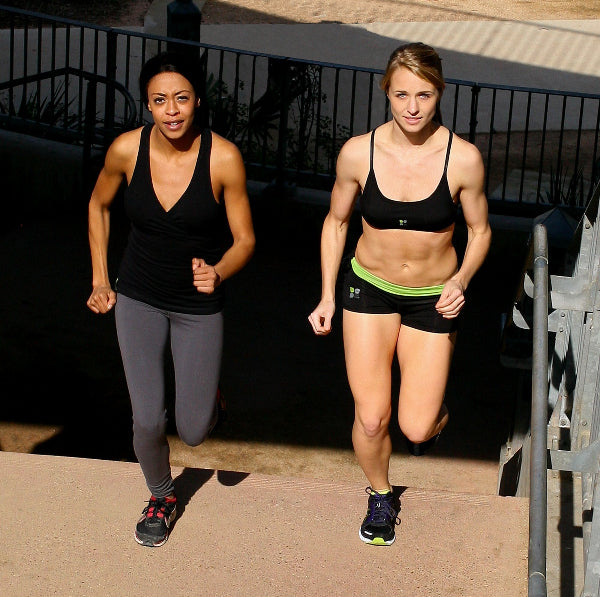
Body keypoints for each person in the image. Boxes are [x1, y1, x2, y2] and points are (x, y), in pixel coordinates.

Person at [308, 42, 491, 546]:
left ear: (440, 93)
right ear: (387, 91)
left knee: (414, 426)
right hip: (368, 289)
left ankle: (435, 416)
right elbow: (336, 221)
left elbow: (480, 232)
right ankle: (381, 495)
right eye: (402, 94)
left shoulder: (464, 159)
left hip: (433, 298)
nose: (412, 107)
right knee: (370, 419)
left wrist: (461, 281)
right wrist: (327, 295)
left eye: (425, 95)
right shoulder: (358, 152)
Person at [86, 51, 255, 547]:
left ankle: (210, 404)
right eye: (160, 101)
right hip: (137, 294)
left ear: (197, 100)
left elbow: (245, 239)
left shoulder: (222, 158)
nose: (172, 110)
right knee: (146, 415)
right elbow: (98, 205)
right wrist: (100, 279)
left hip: (197, 308)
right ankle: (161, 495)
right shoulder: (125, 151)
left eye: (181, 98)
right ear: (147, 105)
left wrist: (219, 271)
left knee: (196, 430)